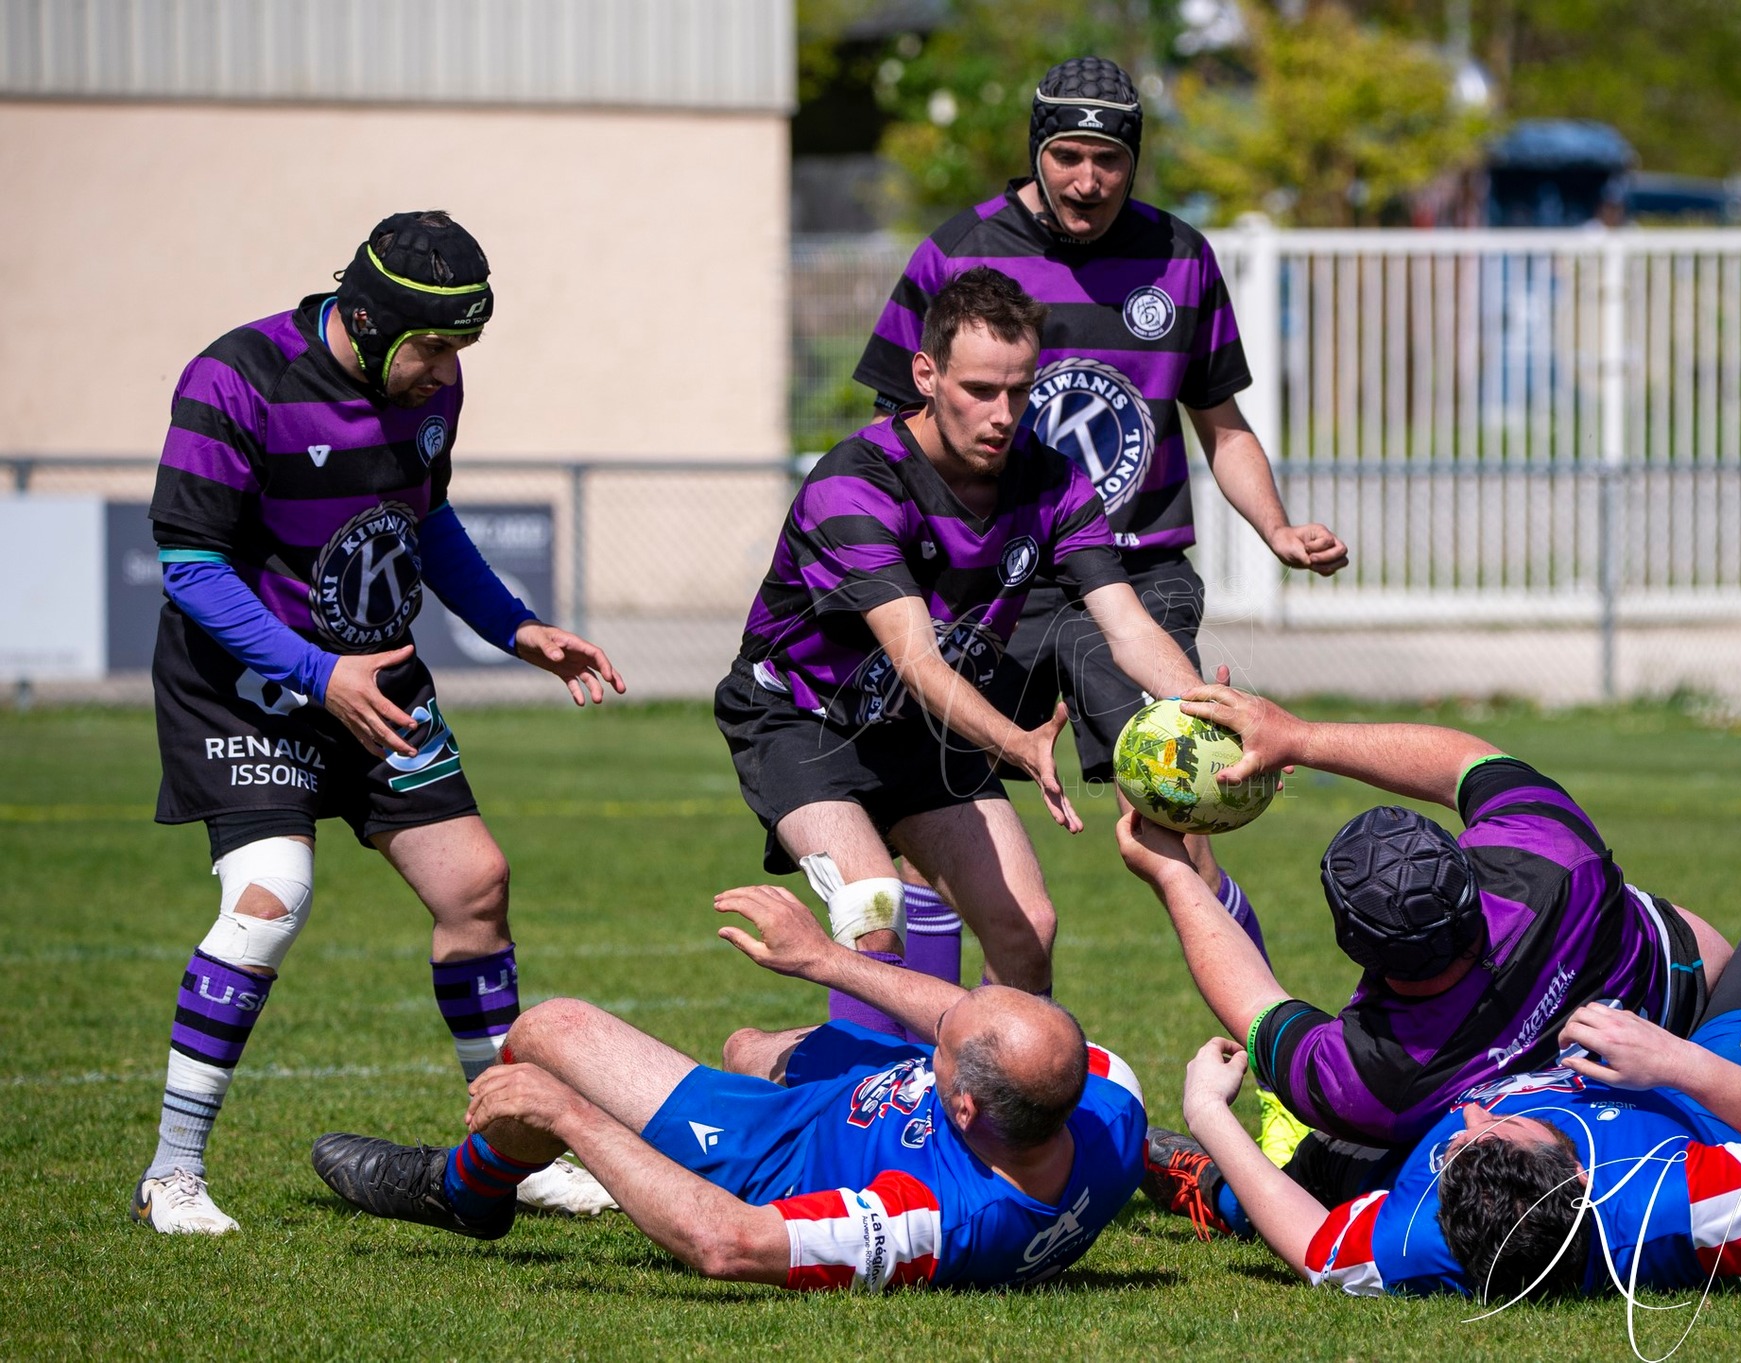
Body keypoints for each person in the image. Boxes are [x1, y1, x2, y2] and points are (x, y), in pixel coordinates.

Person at [854, 54, 1347, 1158]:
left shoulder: (1178, 258)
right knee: (921, 810)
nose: (1086, 179)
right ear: (1035, 150)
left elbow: (1219, 426)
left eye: (1108, 159)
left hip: (1132, 580)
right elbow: (897, 433)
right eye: (1066, 156)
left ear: (1135, 159)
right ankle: (939, 1087)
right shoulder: (958, 252)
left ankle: (1267, 1079)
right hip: (985, 582)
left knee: (1179, 805)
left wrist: (1274, 528)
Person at [134, 211, 626, 1233]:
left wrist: (516, 627)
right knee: (273, 894)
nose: (445, 369)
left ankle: (508, 1154)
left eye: (460, 348)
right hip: (245, 687)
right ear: (364, 314)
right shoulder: (233, 378)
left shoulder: (431, 386)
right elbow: (190, 569)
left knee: (474, 884)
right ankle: (171, 1172)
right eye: (433, 345)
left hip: (379, 685)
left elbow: (425, 520)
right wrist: (319, 675)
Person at [719, 267, 1201, 1029]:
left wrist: (1207, 710)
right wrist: (1018, 743)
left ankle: (998, 1122)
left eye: (1020, 389)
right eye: (980, 389)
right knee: (872, 915)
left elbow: (1129, 625)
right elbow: (917, 659)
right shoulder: (856, 486)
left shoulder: (1054, 482)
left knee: (1027, 932)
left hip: (917, 728)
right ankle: (799, 1084)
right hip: (804, 720)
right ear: (926, 374)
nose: (1003, 414)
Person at [309, 883, 1147, 1291]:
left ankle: (465, 1190)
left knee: (545, 1037)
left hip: (777, 1153)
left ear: (962, 1104)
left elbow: (729, 1243)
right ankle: (759, 1063)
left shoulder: (932, 1223)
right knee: (748, 1042)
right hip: (855, 1098)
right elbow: (963, 1025)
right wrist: (823, 959)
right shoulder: (1106, 1101)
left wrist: (569, 1116)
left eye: (947, 1048)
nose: (942, 1028)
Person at [1144, 899, 1741, 1300]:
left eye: (1461, 1142)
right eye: (1505, 1123)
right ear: (1577, 1169)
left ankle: (1205, 1187)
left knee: (1317, 1172)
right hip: (1712, 1092)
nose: (1474, 1111)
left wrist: (1211, 1112)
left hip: (1408, 1160)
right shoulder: (1686, 1207)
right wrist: (1676, 1060)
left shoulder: (1429, 1240)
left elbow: (1316, 1243)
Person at [1114, 683, 1734, 1152]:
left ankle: (1213, 1186)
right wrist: (1298, 736)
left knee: (1338, 1168)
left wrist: (1172, 874)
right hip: (1690, 1010)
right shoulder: (1548, 848)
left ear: (1355, 944)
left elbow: (1256, 1007)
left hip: (1568, 1133)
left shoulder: (1370, 1075)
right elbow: (1466, 763)